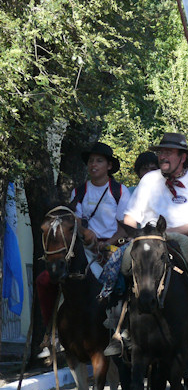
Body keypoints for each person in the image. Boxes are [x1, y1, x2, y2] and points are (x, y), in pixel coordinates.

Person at [110, 132, 188, 355]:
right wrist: (141, 233)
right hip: (148, 239)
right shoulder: (149, 180)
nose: (162, 156)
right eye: (161, 152)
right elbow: (130, 216)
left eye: (168, 152)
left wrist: (168, 232)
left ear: (183, 157)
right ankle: (119, 328)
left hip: (185, 239)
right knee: (117, 266)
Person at [37, 141, 132, 358]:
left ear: (109, 165)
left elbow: (125, 227)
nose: (93, 165)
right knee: (46, 280)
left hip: (114, 247)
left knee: (125, 278)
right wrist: (85, 233)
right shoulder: (79, 192)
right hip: (85, 249)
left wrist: (107, 245)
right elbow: (74, 221)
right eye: (91, 161)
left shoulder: (119, 191)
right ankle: (51, 334)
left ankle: (124, 330)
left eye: (99, 161)